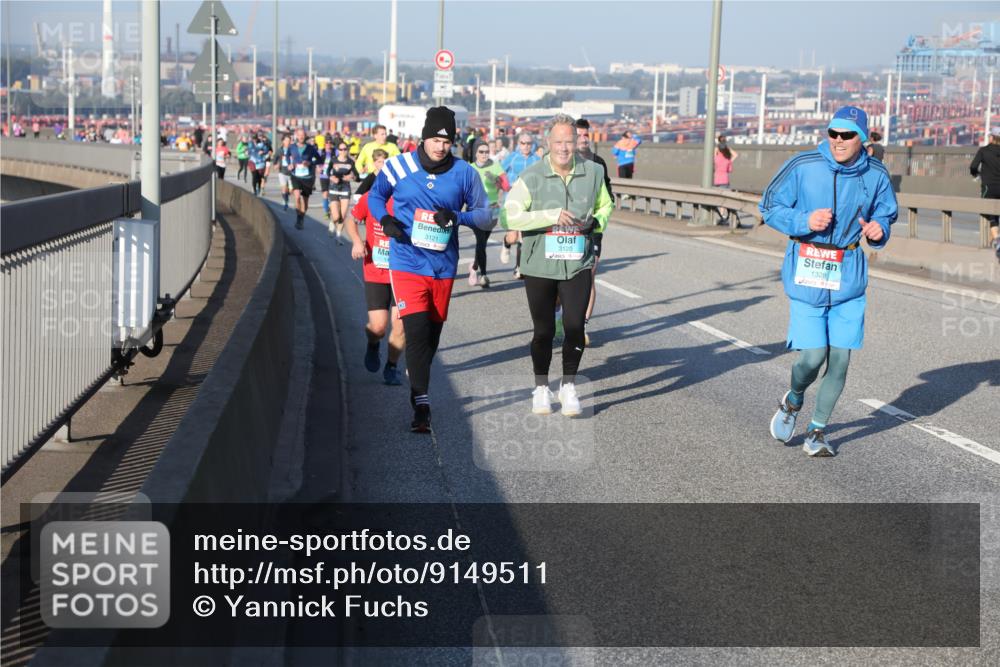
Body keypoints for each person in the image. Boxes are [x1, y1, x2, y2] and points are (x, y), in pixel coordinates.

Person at [761, 106, 897, 457]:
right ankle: (793, 400)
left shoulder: (877, 174)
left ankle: (817, 431)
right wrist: (806, 219)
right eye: (833, 133)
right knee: (812, 357)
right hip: (807, 268)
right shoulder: (803, 165)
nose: (838, 140)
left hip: (849, 273)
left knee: (839, 359)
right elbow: (770, 206)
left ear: (862, 138)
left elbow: (886, 212)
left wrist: (879, 230)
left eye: (847, 134)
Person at [368, 106, 491, 433]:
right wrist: (385, 220)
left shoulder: (464, 173)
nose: (440, 145)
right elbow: (375, 197)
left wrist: (456, 216)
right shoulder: (399, 165)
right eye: (435, 138)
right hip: (406, 261)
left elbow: (485, 215)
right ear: (424, 137)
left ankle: (418, 374)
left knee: (431, 335)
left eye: (447, 140)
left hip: (443, 265)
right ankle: (421, 403)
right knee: (416, 329)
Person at [501, 114, 613, 417]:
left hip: (577, 262)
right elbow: (509, 216)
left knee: (575, 325)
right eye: (558, 142)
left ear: (577, 142)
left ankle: (568, 385)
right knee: (544, 331)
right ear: (548, 144)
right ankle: (540, 388)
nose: (564, 147)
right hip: (540, 265)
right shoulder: (533, 176)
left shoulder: (592, 172)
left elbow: (606, 204)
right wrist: (549, 215)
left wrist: (596, 224)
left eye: (569, 141)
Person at [345, 151, 406, 386]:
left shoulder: (408, 200)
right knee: (379, 326)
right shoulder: (371, 197)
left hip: (403, 271)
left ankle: (391, 367)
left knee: (400, 324)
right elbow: (352, 220)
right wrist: (357, 241)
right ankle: (373, 344)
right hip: (376, 269)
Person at [575, 118, 613, 346]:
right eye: (578, 135)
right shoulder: (563, 160)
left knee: (589, 275)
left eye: (585, 135)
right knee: (561, 278)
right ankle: (561, 315)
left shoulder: (598, 163)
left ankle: (582, 326)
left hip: (592, 230)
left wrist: (597, 220)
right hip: (565, 230)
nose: (583, 138)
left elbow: (608, 195)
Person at [469, 137, 511, 288]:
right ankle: (484, 275)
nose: (484, 154)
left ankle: (474, 266)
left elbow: (506, 187)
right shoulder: (470, 168)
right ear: (475, 153)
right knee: (481, 241)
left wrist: (496, 180)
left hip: (493, 209)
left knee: (483, 242)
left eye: (487, 152)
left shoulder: (495, 166)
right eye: (481, 152)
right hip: (477, 209)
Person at [500, 132, 542, 279]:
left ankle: (519, 267)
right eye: (523, 143)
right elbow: (500, 173)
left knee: (523, 238)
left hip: (529, 203)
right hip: (512, 202)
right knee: (513, 237)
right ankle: (505, 243)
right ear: (518, 143)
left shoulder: (537, 160)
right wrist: (505, 186)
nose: (526, 146)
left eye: (529, 143)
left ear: (532, 144)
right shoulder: (511, 158)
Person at [970, 126, 1000, 262]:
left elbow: (973, 166)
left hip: (988, 188)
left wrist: (975, 175)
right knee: (996, 217)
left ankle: (998, 242)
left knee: (991, 217)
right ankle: (993, 243)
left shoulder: (984, 151)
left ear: (992, 137)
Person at [325, 140, 360, 243]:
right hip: (334, 188)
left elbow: (357, 176)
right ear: (338, 150)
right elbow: (327, 171)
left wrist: (352, 176)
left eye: (345, 149)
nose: (343, 151)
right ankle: (332, 222)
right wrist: (331, 177)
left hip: (345, 188)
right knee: (336, 215)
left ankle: (338, 236)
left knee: (343, 215)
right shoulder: (333, 160)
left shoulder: (350, 161)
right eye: (341, 149)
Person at [288, 128, 322, 230]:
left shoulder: (311, 148)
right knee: (297, 197)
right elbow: (287, 156)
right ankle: (298, 217)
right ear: (296, 136)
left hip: (307, 177)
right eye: (299, 135)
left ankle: (302, 216)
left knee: (305, 200)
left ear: (305, 136)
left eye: (303, 135)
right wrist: (290, 164)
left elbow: (319, 159)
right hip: (295, 176)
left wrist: (310, 163)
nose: (301, 137)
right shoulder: (292, 147)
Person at [713, 136, 738, 226]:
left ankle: (722, 216)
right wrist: (727, 150)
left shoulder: (716, 158)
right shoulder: (727, 160)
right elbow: (730, 170)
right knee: (724, 198)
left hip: (716, 179)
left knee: (717, 197)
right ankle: (723, 215)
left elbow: (713, 157)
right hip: (725, 179)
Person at [273, 134, 294, 211]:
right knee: (284, 188)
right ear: (283, 141)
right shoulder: (279, 150)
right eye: (287, 140)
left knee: (291, 190)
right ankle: (285, 202)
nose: (288, 142)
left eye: (289, 140)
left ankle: (287, 196)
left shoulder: (293, 149)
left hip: (292, 172)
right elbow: (275, 159)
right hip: (282, 171)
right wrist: (276, 165)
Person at [248, 132, 272, 196]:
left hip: (260, 162)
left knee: (259, 177)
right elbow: (249, 151)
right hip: (252, 161)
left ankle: (259, 188)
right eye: (253, 139)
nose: (254, 140)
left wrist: (263, 152)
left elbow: (266, 150)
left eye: (255, 138)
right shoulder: (250, 144)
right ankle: (254, 190)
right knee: (254, 175)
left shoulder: (261, 144)